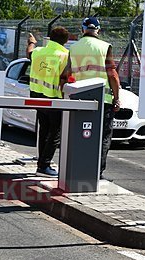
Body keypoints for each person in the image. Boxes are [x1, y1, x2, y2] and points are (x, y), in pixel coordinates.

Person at [62, 17, 120, 180]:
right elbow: (112, 74)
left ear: (83, 29)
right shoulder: (104, 47)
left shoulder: (73, 49)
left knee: (81, 134)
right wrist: (116, 97)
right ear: (98, 30)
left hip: (79, 98)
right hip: (103, 99)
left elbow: (67, 74)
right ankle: (97, 173)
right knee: (103, 137)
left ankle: (79, 169)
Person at [26, 27, 70, 177]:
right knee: (55, 132)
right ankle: (44, 165)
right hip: (54, 98)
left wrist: (32, 42)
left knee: (44, 129)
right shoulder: (65, 55)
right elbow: (65, 78)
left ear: (50, 38)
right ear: (66, 41)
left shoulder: (39, 51)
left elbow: (30, 52)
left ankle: (42, 164)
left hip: (37, 96)